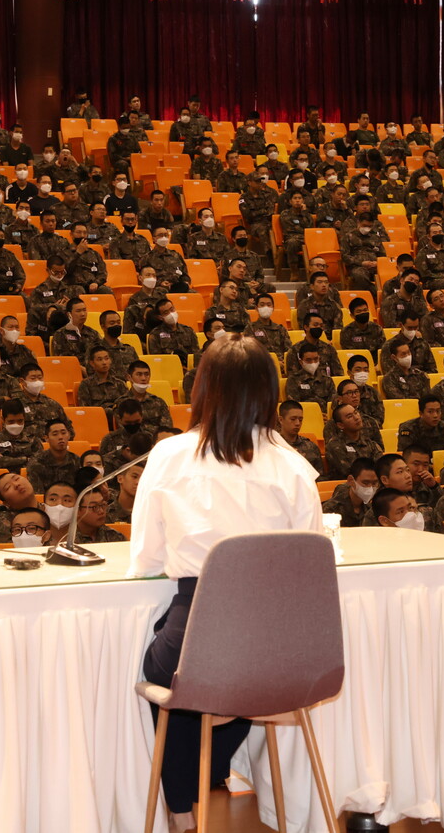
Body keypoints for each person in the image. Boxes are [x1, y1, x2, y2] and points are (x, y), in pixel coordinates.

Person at [128, 334, 322, 833]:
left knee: (169, 664)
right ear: (270, 392)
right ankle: (205, 779)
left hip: (202, 636)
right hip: (285, 651)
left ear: (202, 389)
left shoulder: (169, 456)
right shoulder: (294, 466)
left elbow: (146, 558)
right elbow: (311, 558)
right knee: (231, 679)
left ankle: (182, 810)